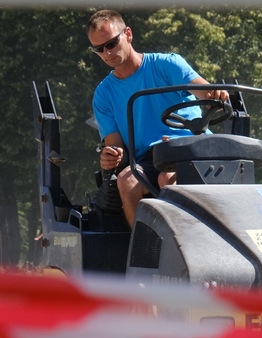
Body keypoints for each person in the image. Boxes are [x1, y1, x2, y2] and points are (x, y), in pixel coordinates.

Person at [87, 9, 229, 228]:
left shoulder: (166, 65)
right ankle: (145, 255)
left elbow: (206, 93)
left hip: (192, 148)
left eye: (111, 44)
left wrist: (215, 95)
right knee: (127, 180)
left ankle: (188, 244)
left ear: (128, 34)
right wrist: (111, 157)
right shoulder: (103, 94)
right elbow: (116, 148)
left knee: (168, 178)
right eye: (99, 49)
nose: (107, 53)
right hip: (151, 159)